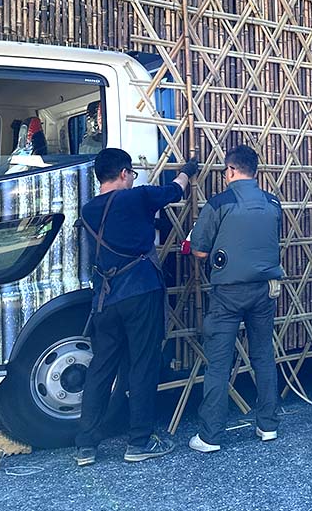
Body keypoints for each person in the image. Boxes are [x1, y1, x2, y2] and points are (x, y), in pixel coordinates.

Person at [74, 148, 198, 466]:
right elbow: (175, 190)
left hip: (104, 298)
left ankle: (86, 445)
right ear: (125, 173)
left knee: (101, 368)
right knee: (142, 365)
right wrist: (188, 169)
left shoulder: (87, 211)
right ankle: (139, 442)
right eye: (132, 175)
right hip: (141, 291)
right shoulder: (136, 197)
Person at [188, 144, 284, 452]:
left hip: (228, 293)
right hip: (265, 290)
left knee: (218, 363)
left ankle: (210, 436)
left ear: (230, 170)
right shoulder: (273, 203)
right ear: (255, 171)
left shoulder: (220, 203)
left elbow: (200, 250)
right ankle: (268, 426)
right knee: (263, 356)